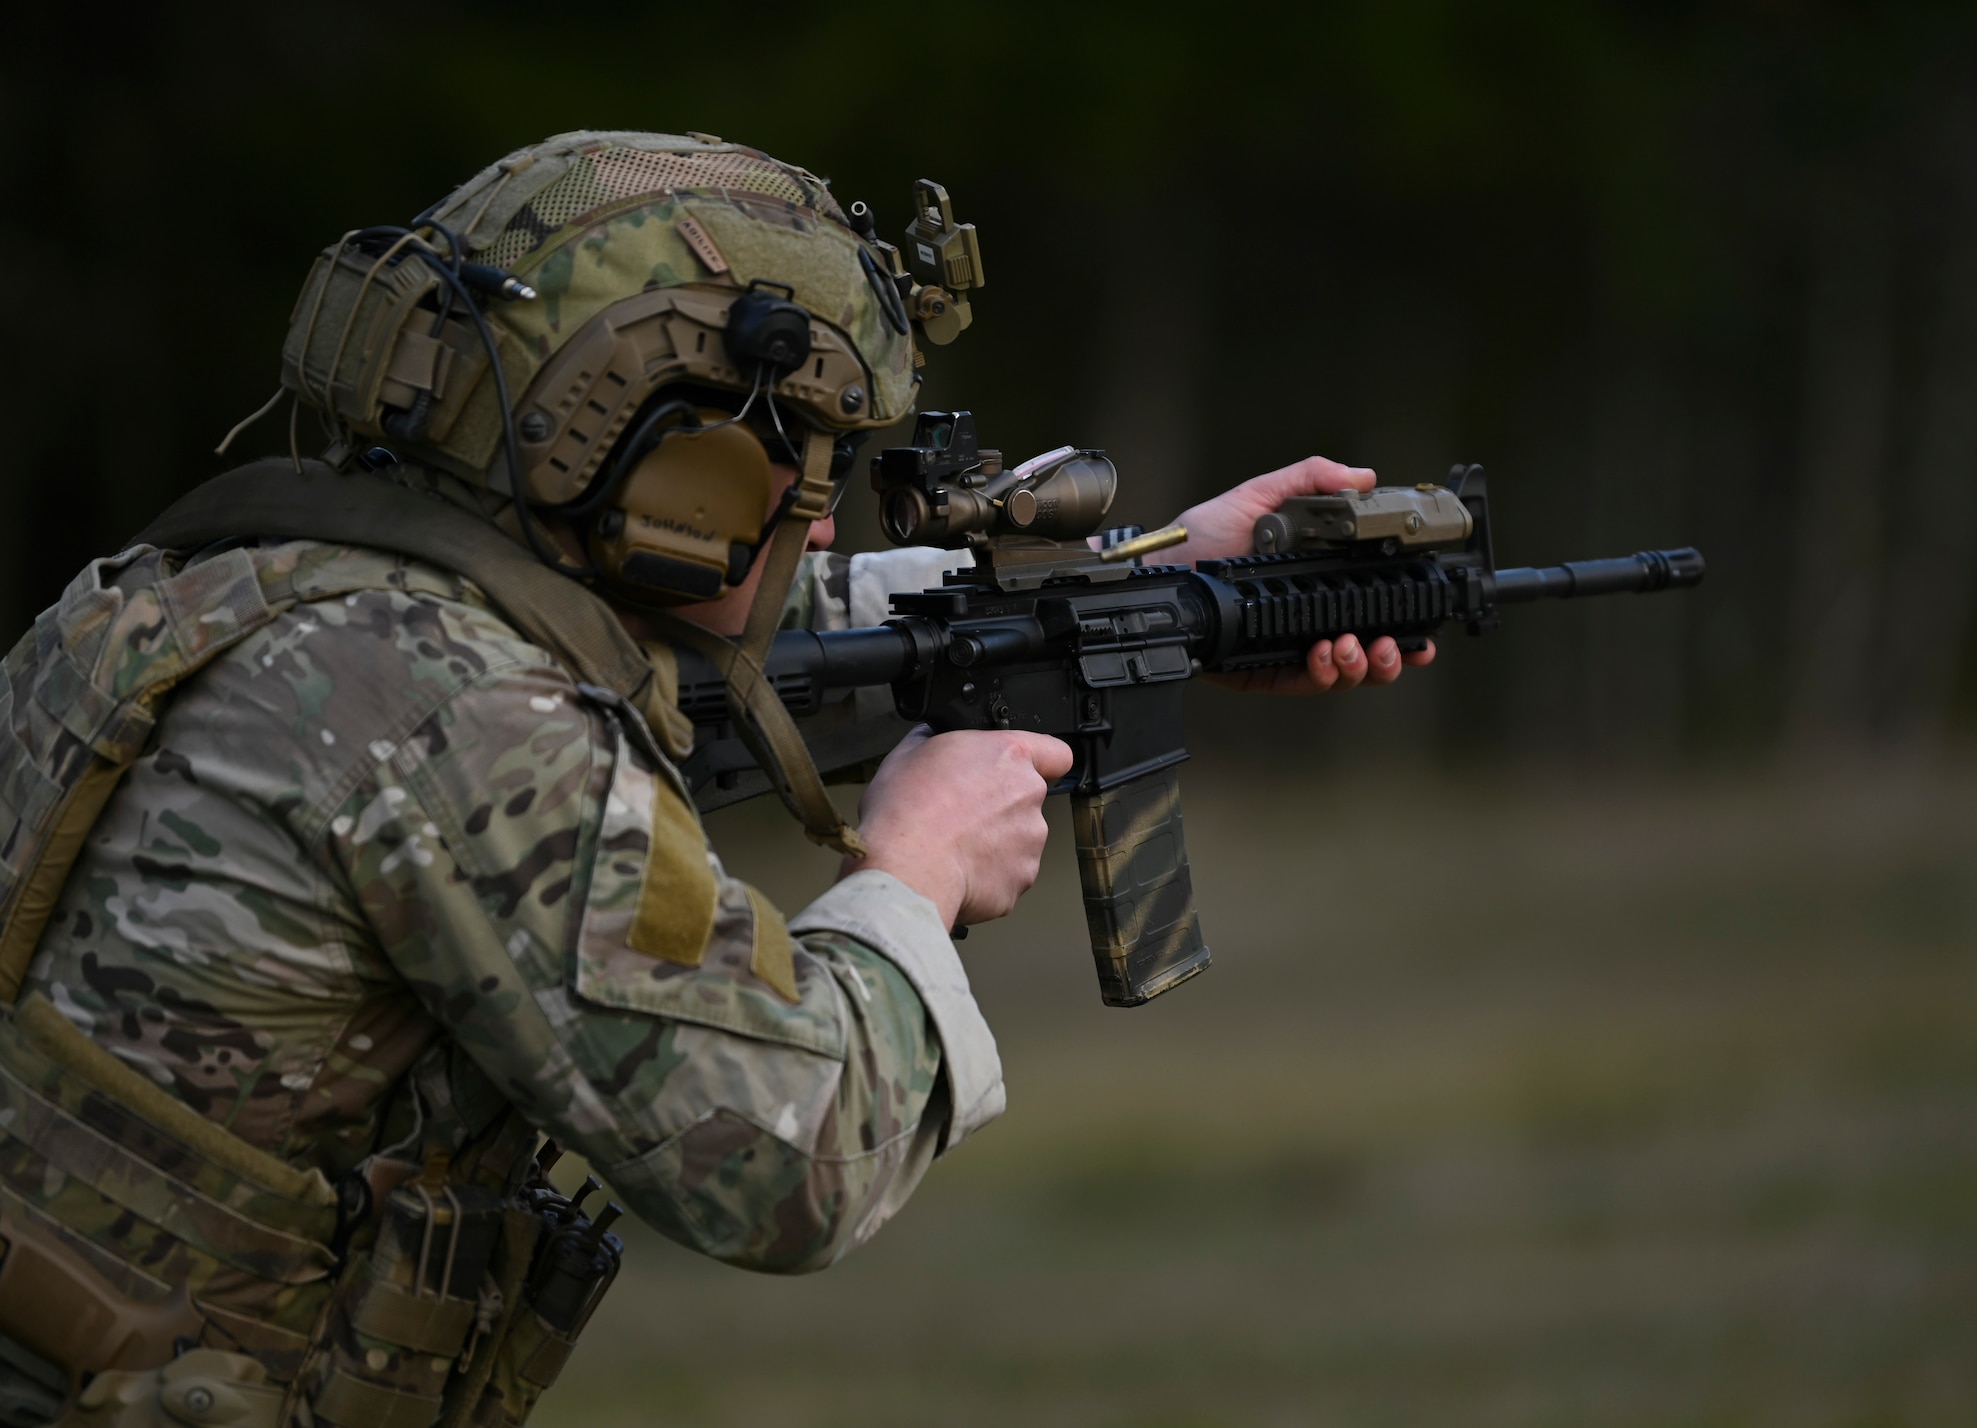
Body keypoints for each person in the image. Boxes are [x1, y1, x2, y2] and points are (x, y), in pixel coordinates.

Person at [0, 131, 1427, 1428]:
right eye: (795, 475)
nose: (812, 524)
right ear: (667, 466)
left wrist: (1145, 584)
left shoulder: (228, 583)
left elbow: (712, 647)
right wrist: (911, 878)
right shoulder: (464, 718)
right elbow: (788, 1157)